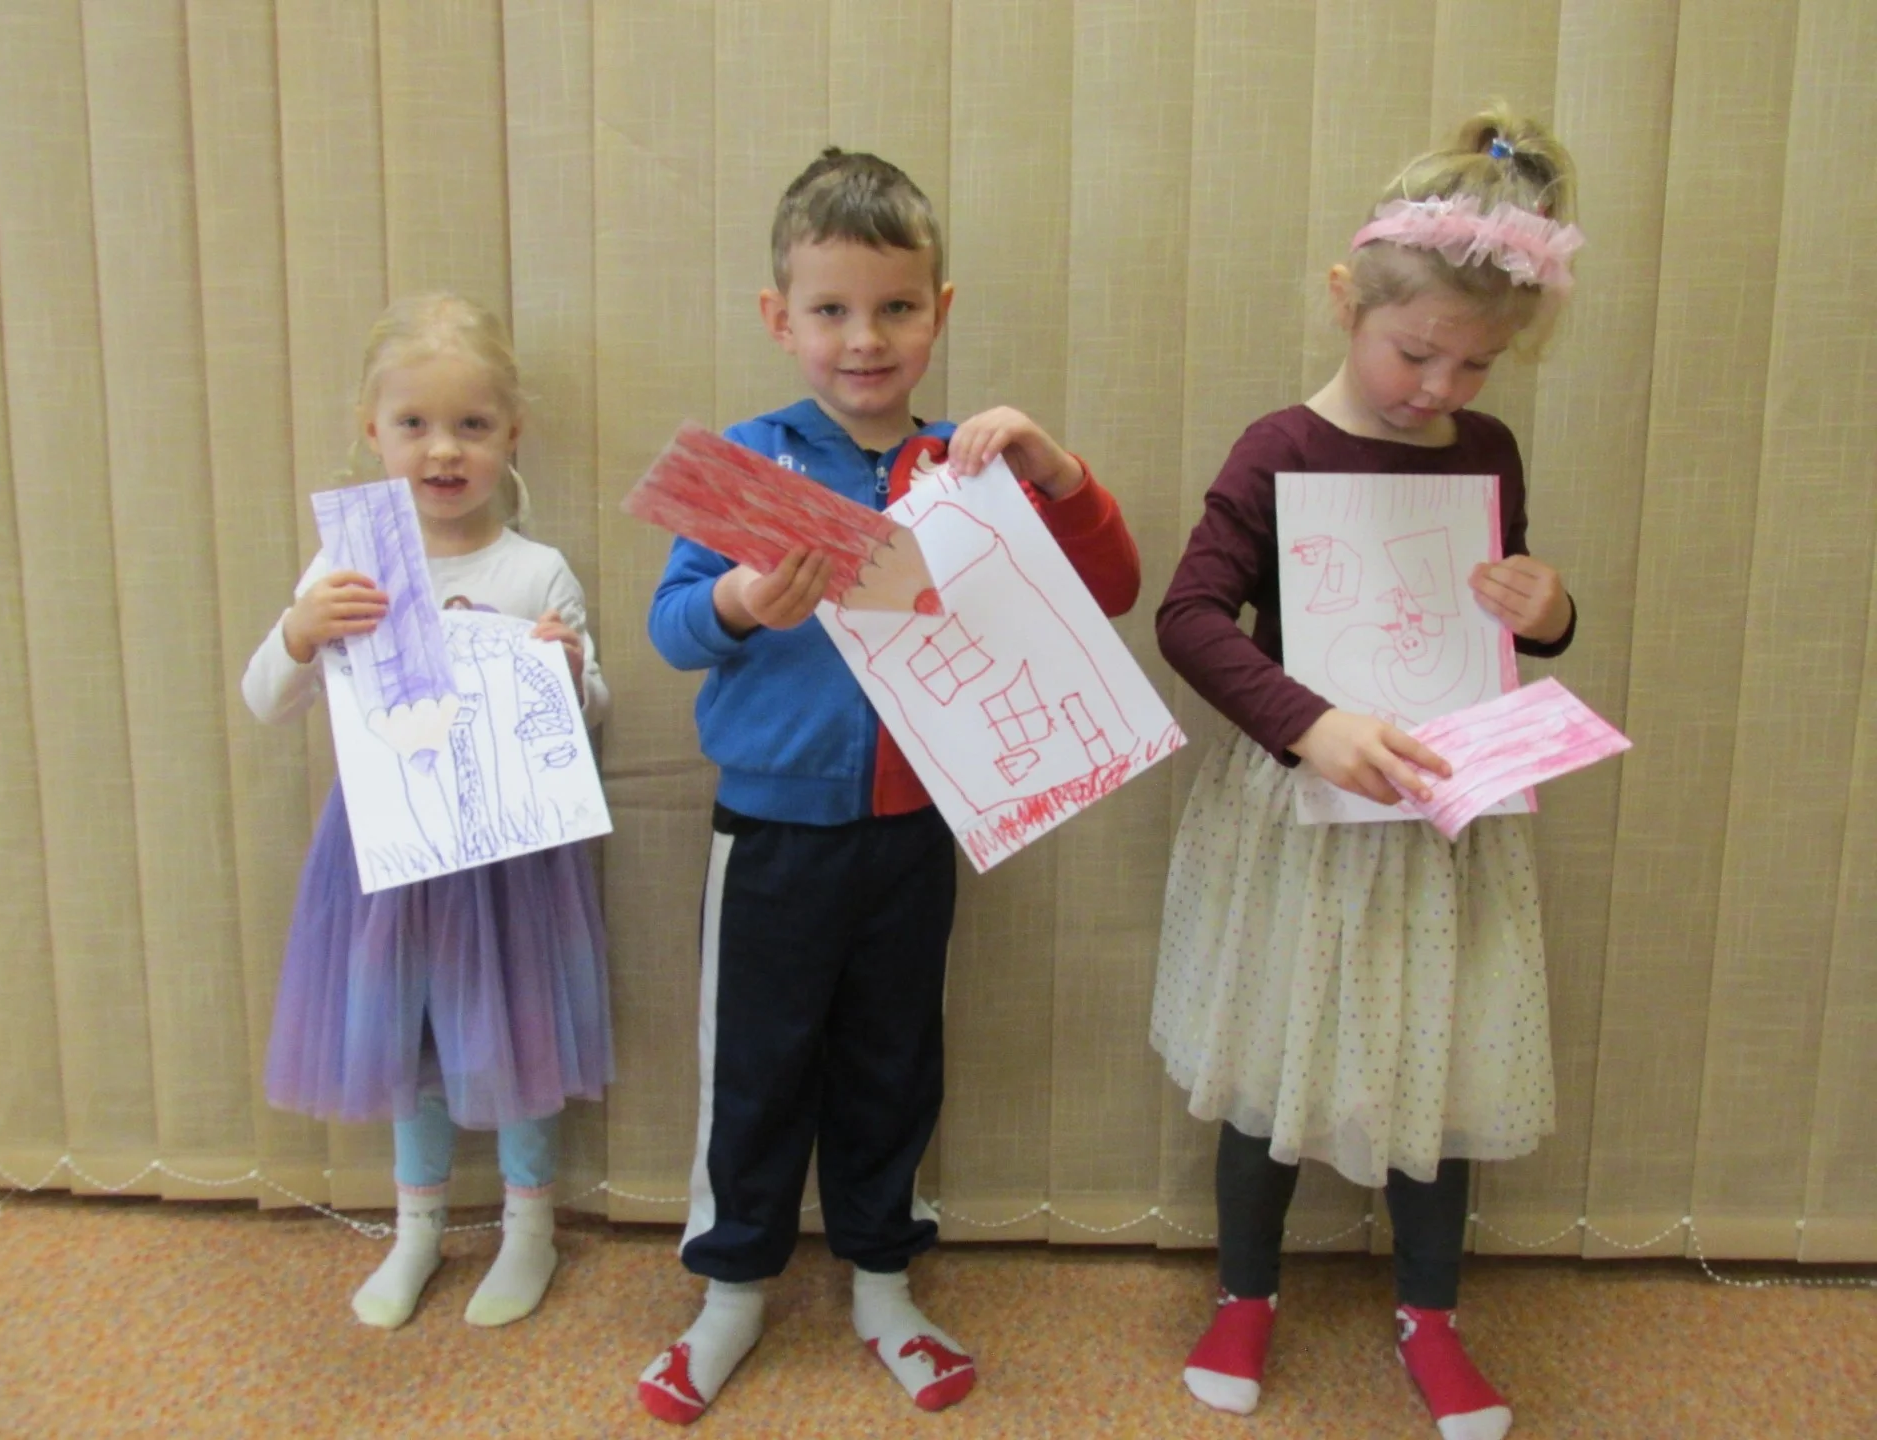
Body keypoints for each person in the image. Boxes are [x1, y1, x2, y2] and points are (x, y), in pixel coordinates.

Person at [639, 148, 1140, 1424]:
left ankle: (882, 1285)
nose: (864, 339)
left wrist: (1057, 470)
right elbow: (672, 629)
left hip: (916, 834)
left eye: (896, 308)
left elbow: (1112, 590)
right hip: (771, 834)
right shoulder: (747, 464)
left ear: (940, 311)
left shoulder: (970, 470)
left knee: (892, 1063)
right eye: (831, 309)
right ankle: (730, 1295)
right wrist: (740, 601)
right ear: (780, 318)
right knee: (755, 1069)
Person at [1150, 108, 1584, 1440]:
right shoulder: (1280, 449)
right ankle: (1245, 1293)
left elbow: (1490, 618)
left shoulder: (1486, 453)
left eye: (1476, 363)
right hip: (1304, 813)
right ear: (1347, 300)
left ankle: (1432, 1313)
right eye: (1414, 352)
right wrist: (1309, 724)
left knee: (1436, 1065)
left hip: (1443, 819)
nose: (1440, 388)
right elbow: (1190, 618)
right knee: (1274, 1057)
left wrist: (1550, 610)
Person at [243, 292, 612, 1331]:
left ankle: (529, 1229)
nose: (443, 449)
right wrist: (302, 629)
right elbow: (266, 698)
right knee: (410, 1042)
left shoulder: (534, 568)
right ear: (373, 432)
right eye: (414, 423)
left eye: (472, 425)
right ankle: (417, 1231)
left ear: (512, 433)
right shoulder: (348, 570)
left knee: (517, 1035)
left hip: (510, 859)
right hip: (385, 855)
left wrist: (568, 674)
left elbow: (589, 718)